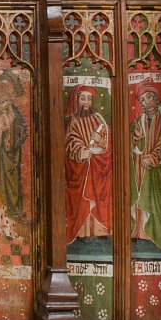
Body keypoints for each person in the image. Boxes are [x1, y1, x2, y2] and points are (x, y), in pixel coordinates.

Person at [130, 78, 161, 251]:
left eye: (149, 97)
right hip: (142, 168)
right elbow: (135, 142)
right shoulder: (141, 119)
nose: (147, 101)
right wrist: (136, 137)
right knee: (140, 195)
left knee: (157, 200)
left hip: (159, 169)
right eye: (143, 99)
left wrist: (153, 158)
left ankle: (155, 234)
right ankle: (140, 232)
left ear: (156, 98)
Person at [64, 85, 113, 243]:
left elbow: (107, 135)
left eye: (89, 98)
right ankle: (82, 232)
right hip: (82, 166)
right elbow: (71, 140)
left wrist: (102, 141)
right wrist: (81, 151)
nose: (86, 102)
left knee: (100, 195)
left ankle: (100, 230)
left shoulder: (98, 118)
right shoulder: (74, 120)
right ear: (76, 100)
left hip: (99, 165)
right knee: (82, 199)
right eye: (82, 98)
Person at [0, 71, 28, 234]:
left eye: (7, 89)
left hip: (9, 159)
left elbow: (22, 132)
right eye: (1, 87)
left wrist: (8, 134)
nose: (3, 92)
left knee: (10, 188)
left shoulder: (14, 112)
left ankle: (10, 225)